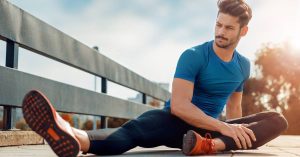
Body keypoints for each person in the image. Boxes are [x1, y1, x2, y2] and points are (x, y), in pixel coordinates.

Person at [22, 0, 288, 156]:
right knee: (138, 129)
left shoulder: (242, 66)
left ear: (244, 31)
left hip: (210, 134)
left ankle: (209, 146)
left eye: (229, 28)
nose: (221, 31)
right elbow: (181, 106)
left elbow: (234, 109)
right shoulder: (193, 55)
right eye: (218, 24)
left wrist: (231, 132)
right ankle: (73, 135)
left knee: (276, 119)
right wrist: (226, 129)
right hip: (178, 124)